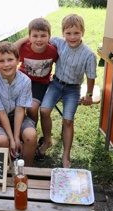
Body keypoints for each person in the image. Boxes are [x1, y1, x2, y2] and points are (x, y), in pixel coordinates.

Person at [37, 14, 97, 168]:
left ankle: (66, 156)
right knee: (44, 110)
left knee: (68, 120)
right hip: (56, 84)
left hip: (73, 89)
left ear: (83, 32)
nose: (72, 37)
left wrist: (89, 95)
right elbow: (39, 38)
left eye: (76, 33)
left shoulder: (89, 54)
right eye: (68, 33)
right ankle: (48, 140)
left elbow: (91, 77)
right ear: (63, 32)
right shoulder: (58, 42)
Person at [0, 18, 58, 124]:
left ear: (49, 37)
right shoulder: (24, 48)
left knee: (32, 109)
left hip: (39, 83)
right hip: (21, 80)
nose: (39, 39)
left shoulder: (53, 51)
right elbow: (10, 49)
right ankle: (13, 125)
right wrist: (26, 39)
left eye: (43, 36)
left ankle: (30, 129)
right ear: (29, 37)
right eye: (35, 36)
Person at [0, 41, 37, 167]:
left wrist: (16, 137)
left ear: (18, 60)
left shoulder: (25, 81)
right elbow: (1, 112)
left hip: (17, 116)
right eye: (1, 61)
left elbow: (20, 110)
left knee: (31, 135)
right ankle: (6, 171)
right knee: (1, 140)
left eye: (10, 59)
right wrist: (11, 139)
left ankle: (27, 170)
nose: (6, 64)